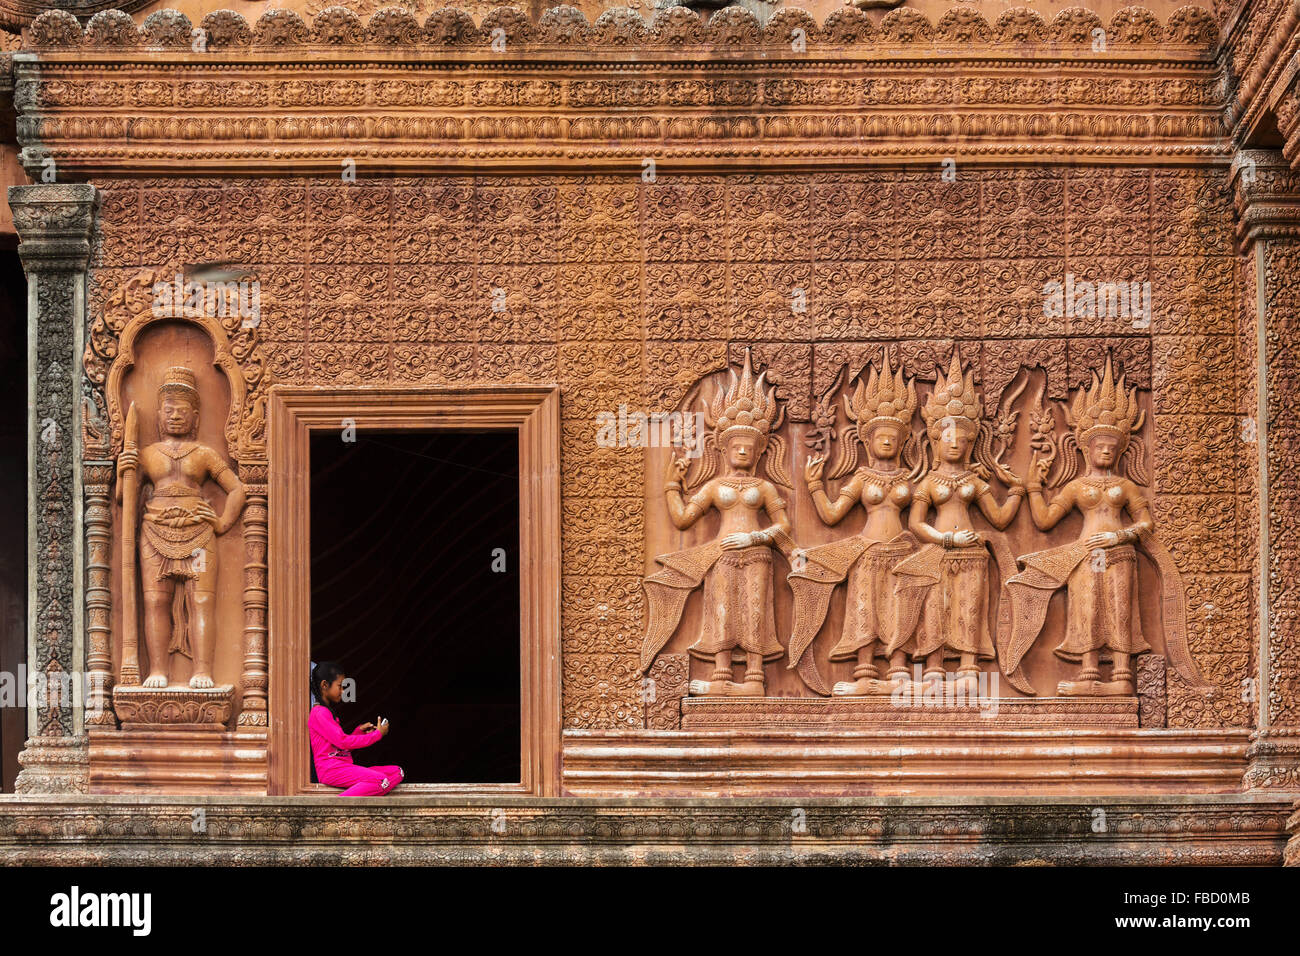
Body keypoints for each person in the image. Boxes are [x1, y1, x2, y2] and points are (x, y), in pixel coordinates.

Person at [308, 661, 403, 796]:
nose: (343, 691)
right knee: (382, 781)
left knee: (397, 772)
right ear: (324, 685)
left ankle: (367, 787)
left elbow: (339, 745)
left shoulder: (327, 712)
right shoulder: (319, 713)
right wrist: (377, 735)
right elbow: (342, 741)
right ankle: (335, 806)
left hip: (342, 766)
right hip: (331, 769)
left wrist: (358, 732)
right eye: (340, 686)